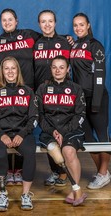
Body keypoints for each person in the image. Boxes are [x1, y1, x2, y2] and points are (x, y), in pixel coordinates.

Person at [0, 8, 41, 185]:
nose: (7, 23)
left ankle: (18, 170)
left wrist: (67, 38)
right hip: (4, 89)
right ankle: (8, 171)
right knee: (7, 121)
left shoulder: (29, 35)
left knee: (22, 126)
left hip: (26, 89)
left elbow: (49, 37)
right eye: (3, 20)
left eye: (10, 19)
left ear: (17, 20)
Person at [36, 55, 87, 206]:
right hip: (49, 133)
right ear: (50, 69)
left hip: (71, 130)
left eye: (61, 67)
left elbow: (80, 115)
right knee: (57, 153)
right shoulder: (42, 88)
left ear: (68, 69)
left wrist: (64, 132)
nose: (58, 70)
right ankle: (76, 190)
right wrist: (53, 131)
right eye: (54, 67)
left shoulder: (76, 89)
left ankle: (75, 189)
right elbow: (39, 116)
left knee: (69, 151)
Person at [0, 56, 38, 211]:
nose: (10, 71)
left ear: (18, 71)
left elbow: (34, 118)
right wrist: (2, 135)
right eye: (6, 68)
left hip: (22, 133)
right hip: (2, 133)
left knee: (30, 152)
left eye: (13, 68)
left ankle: (25, 194)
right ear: (2, 72)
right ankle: (3, 193)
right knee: (0, 153)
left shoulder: (28, 91)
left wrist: (22, 134)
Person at [70, 13, 110, 189]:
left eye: (81, 25)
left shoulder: (96, 46)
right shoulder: (76, 45)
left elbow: (100, 75)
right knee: (87, 138)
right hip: (80, 99)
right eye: (75, 25)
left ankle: (103, 172)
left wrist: (96, 100)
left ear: (88, 25)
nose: (78, 28)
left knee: (102, 137)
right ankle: (102, 172)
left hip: (97, 97)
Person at [33, 10, 71, 187]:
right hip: (42, 94)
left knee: (62, 130)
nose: (47, 25)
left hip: (62, 93)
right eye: (43, 21)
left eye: (50, 21)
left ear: (55, 22)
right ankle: (56, 171)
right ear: (39, 24)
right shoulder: (35, 43)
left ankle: (64, 173)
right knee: (48, 131)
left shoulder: (65, 42)